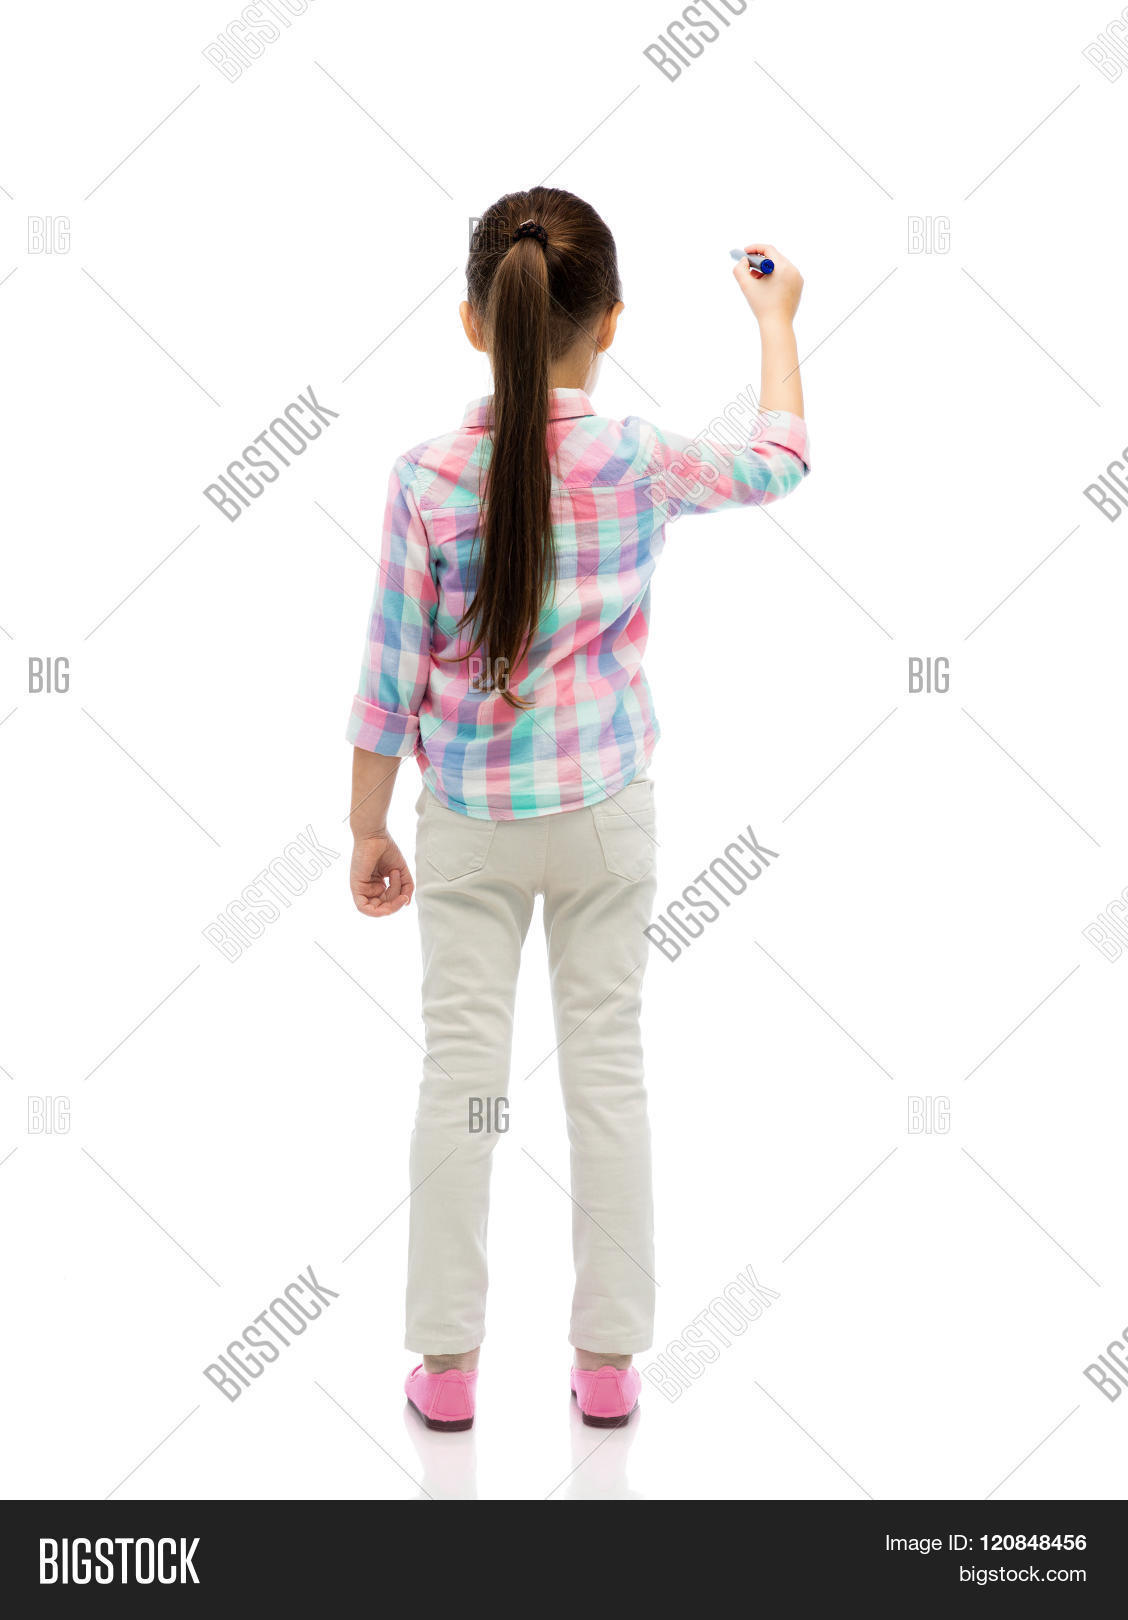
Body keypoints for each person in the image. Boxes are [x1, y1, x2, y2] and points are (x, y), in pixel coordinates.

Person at [345, 186, 809, 1431]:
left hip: (468, 827)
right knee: (608, 1074)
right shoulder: (638, 460)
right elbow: (780, 462)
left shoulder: (425, 477)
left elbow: (389, 678)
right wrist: (775, 322)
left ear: (472, 323)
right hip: (608, 816)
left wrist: (367, 827)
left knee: (461, 1084)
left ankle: (447, 1370)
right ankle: (608, 1365)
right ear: (609, 325)